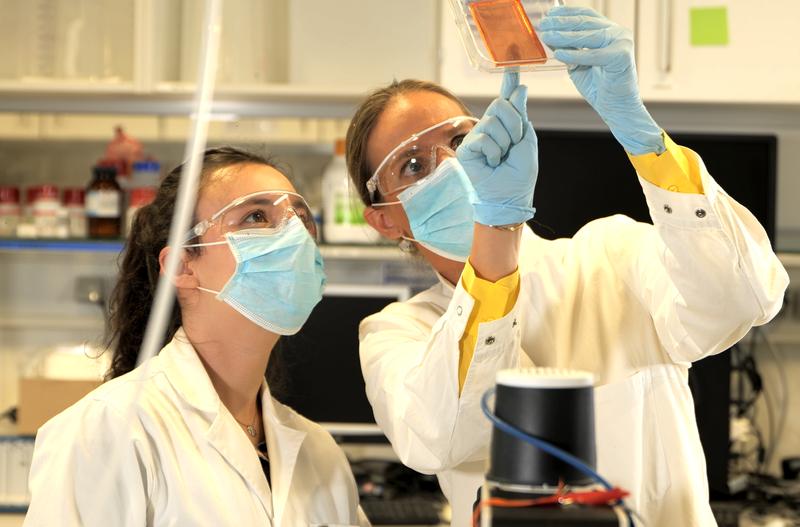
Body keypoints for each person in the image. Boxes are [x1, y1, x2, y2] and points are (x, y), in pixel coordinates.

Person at [345, 6, 788, 527]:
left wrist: (640, 134)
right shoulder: (397, 333)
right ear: (385, 221)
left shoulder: (610, 254)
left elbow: (743, 298)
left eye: (460, 141)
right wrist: (494, 233)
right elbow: (439, 435)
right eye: (413, 165)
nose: (450, 165)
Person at [24, 147, 369, 526]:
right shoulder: (108, 430)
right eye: (256, 216)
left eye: (301, 220)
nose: (295, 238)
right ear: (183, 266)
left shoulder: (320, 456)